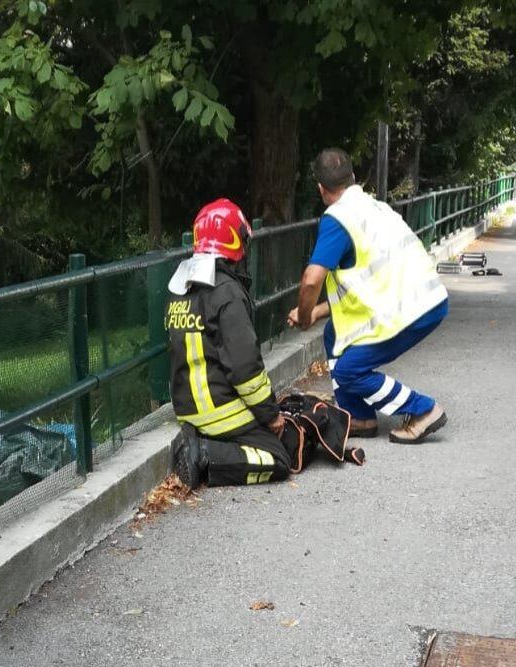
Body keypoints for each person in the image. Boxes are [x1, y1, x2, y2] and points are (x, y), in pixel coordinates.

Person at [288, 148, 449, 443]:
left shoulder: (337, 219)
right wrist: (318, 313)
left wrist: (306, 314)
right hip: (425, 299)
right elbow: (366, 281)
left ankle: (423, 409)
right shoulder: (374, 207)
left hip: (410, 309)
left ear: (321, 189)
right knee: (334, 333)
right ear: (352, 178)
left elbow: (312, 281)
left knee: (349, 371)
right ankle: (358, 415)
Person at [166, 198, 291, 489]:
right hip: (218, 410)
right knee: (278, 458)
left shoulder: (179, 286)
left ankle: (202, 445)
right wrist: (270, 415)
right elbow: (245, 368)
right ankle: (205, 456)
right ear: (236, 242)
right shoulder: (226, 292)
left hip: (187, 408)